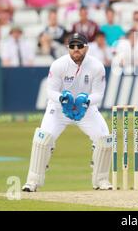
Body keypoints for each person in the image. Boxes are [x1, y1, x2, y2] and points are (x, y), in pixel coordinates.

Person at [22, 33, 112, 192]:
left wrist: (86, 101)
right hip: (59, 109)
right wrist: (63, 99)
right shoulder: (58, 65)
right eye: (72, 46)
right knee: (43, 139)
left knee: (104, 139)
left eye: (79, 46)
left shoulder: (97, 66)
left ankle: (101, 180)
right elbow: (50, 91)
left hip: (85, 109)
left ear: (87, 47)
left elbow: (98, 94)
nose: (76, 49)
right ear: (68, 48)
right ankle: (32, 181)